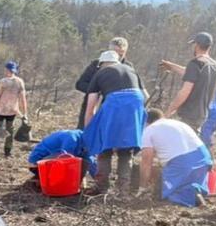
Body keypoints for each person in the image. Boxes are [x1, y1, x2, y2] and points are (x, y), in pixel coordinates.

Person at [82, 51, 147, 194]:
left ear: (102, 63)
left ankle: (101, 188)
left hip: (115, 103)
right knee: (126, 149)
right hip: (136, 103)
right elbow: (145, 96)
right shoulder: (131, 70)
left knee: (104, 147)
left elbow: (90, 107)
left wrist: (89, 132)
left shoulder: (100, 73)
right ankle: (123, 190)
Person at [139, 108, 213, 208]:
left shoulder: (149, 130)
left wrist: (142, 187)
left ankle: (193, 197)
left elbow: (146, 163)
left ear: (146, 122)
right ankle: (196, 193)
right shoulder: (178, 123)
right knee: (190, 183)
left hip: (182, 161)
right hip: (203, 157)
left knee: (168, 194)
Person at [161, 32, 216, 132]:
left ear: (196, 45)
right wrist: (171, 66)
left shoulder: (195, 64)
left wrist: (169, 111)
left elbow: (185, 91)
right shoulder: (214, 65)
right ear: (209, 47)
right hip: (201, 114)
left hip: (189, 115)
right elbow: (190, 73)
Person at [75, 37, 131, 129]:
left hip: (115, 110)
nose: (117, 56)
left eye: (121, 54)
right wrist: (96, 90)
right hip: (92, 105)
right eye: (114, 52)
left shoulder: (128, 68)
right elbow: (80, 84)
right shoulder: (96, 64)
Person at [0, 61, 28, 157]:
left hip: (0, 110)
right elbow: (23, 99)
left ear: (6, 69)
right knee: (10, 131)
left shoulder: (2, 82)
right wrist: (24, 113)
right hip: (12, 111)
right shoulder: (20, 81)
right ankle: (7, 151)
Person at [27, 129, 97, 182]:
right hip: (37, 164)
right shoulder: (72, 138)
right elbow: (66, 160)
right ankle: (48, 180)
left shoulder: (85, 143)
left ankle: (71, 183)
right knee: (71, 160)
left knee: (85, 161)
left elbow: (90, 161)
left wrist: (100, 180)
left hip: (54, 160)